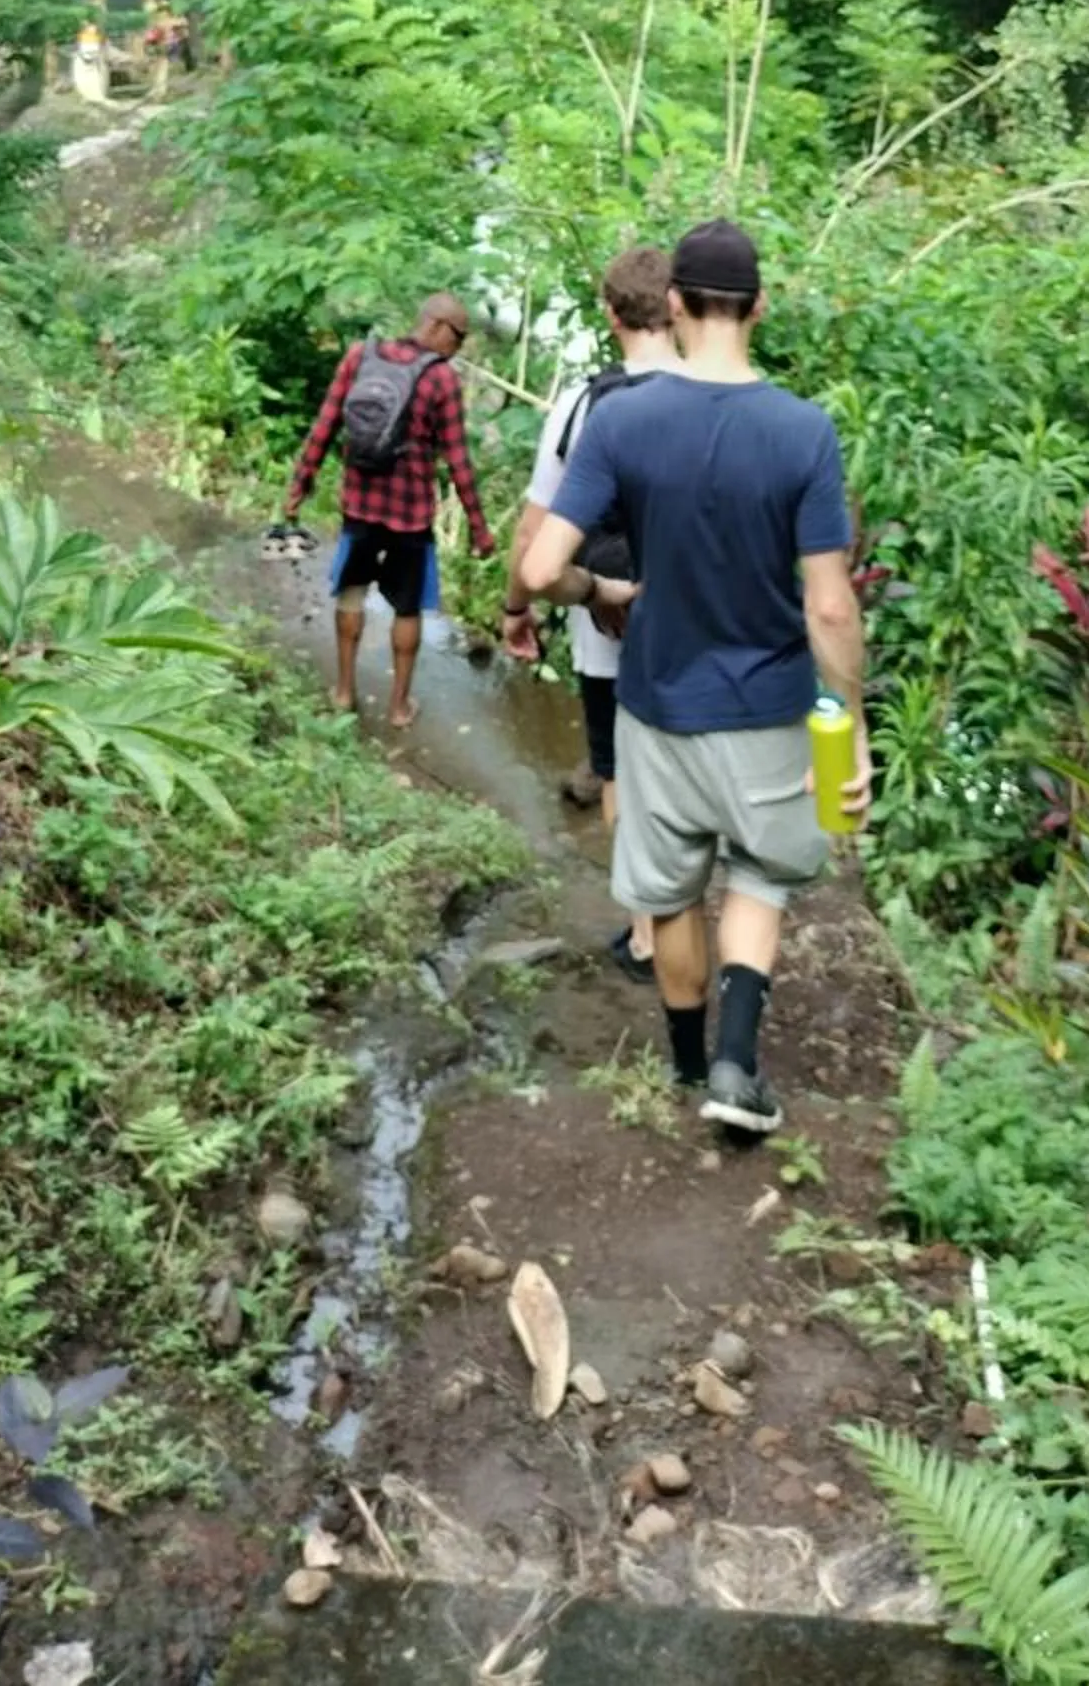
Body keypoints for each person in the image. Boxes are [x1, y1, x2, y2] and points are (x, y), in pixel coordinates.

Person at [521, 220, 872, 1139]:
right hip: (769, 706)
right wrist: (853, 727)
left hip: (657, 704)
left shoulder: (625, 420)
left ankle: (683, 1066)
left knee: (671, 891)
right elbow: (831, 608)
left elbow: (538, 570)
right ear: (759, 308)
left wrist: (599, 588)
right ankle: (736, 1065)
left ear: (673, 304)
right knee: (758, 876)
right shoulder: (803, 432)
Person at [500, 244, 678, 983]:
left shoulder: (584, 401)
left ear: (610, 315)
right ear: (678, 308)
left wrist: (516, 608)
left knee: (619, 776)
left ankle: (647, 934)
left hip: (606, 625)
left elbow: (535, 529)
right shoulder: (721, 393)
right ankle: (693, 923)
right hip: (696, 627)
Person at [283, 292, 498, 728]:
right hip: (410, 517)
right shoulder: (440, 380)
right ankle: (398, 708)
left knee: (351, 594)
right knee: (406, 609)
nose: (457, 349)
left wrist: (300, 485)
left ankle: (343, 692)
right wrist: (479, 529)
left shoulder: (360, 356)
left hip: (359, 506)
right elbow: (458, 461)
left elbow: (326, 425)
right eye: (458, 338)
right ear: (437, 327)